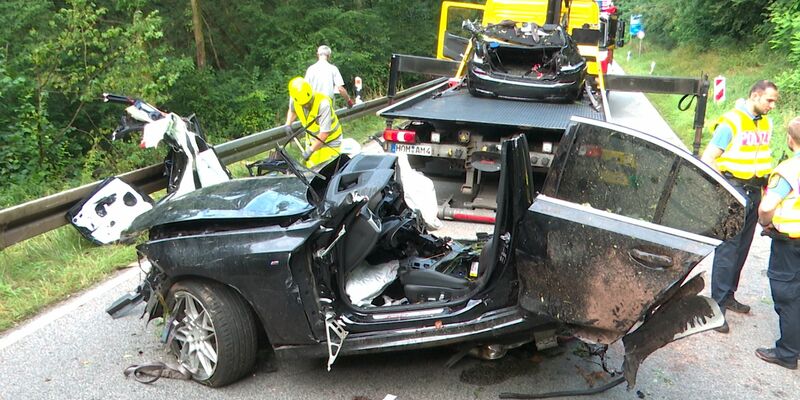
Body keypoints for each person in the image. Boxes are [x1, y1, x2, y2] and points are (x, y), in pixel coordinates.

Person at [700, 80, 779, 333]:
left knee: (742, 248)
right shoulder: (731, 122)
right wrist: (723, 189)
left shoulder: (765, 122)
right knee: (728, 250)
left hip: (754, 191)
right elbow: (708, 158)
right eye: (769, 100)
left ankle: (729, 295)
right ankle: (716, 309)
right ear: (755, 96)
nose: (772, 105)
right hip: (734, 190)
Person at [755, 117, 800, 370]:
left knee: (788, 296)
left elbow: (768, 206)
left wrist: (765, 223)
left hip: (791, 243)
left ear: (789, 140)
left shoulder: (790, 169)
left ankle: (787, 353)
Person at [284, 76, 343, 168]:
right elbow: (292, 110)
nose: (307, 105)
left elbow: (324, 133)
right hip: (313, 141)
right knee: (313, 172)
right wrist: (288, 124)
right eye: (304, 104)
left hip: (331, 143)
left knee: (329, 170)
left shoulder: (323, 104)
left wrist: (310, 151)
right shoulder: (296, 99)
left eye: (309, 102)